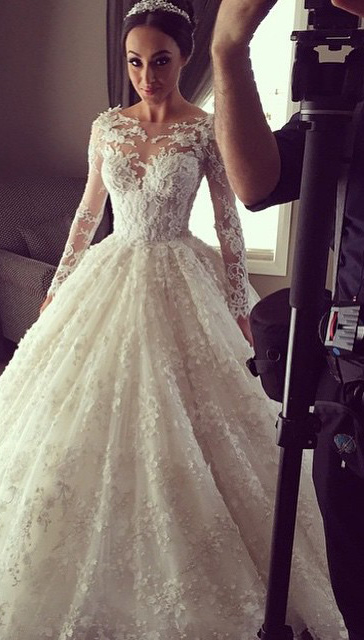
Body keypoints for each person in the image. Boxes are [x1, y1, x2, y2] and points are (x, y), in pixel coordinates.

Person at [0, 1, 346, 638]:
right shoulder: (107, 127)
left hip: (180, 272)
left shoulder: (205, 129)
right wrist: (60, 285)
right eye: (135, 62)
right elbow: (87, 212)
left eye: (160, 61)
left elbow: (228, 221)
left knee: (192, 410)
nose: (146, 76)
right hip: (111, 268)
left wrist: (240, 305)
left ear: (185, 58)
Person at [211, 1, 364, 639]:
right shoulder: (349, 73)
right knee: (354, 572)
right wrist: (228, 49)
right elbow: (256, 181)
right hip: (352, 370)